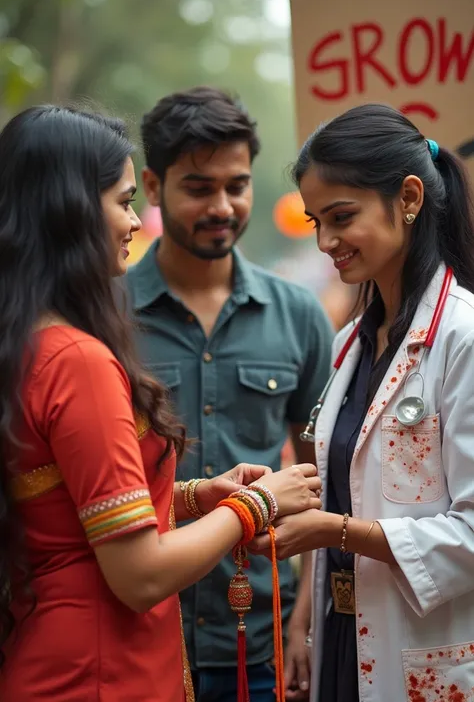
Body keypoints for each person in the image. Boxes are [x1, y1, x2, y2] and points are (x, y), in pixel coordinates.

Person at [0, 104, 322, 702]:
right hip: (99, 671)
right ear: (68, 209)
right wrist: (257, 503)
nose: (132, 223)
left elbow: (67, 500)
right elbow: (140, 574)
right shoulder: (78, 357)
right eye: (123, 202)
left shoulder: (30, 341)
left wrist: (193, 497)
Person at [251, 102, 474, 702]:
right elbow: (342, 488)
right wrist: (303, 618)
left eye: (341, 216)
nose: (325, 241)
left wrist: (336, 531)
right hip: (342, 635)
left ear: (408, 197)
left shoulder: (463, 338)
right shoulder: (350, 342)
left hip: (428, 649)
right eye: (315, 221)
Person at [126, 86, 333, 701]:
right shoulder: (103, 315)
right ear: (154, 187)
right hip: (142, 633)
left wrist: (306, 621)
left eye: (236, 185)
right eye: (199, 187)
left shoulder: (298, 313)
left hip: (262, 636)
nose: (222, 205)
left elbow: (324, 472)